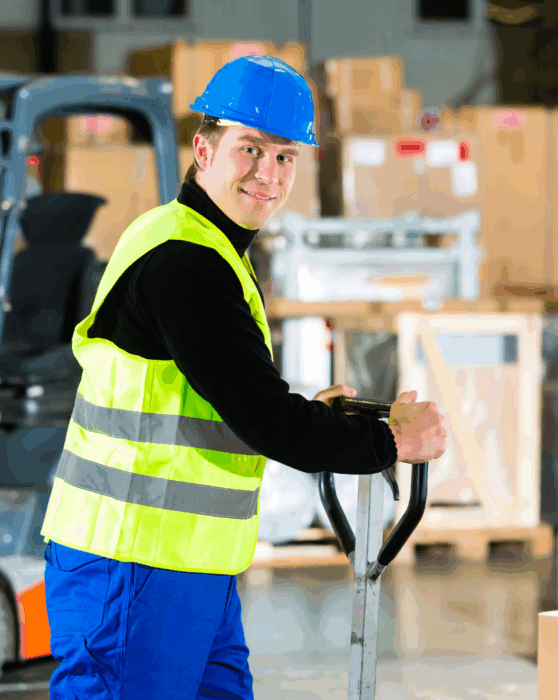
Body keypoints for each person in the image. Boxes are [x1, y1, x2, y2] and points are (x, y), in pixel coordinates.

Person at [40, 56, 448, 699]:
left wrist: (318, 413)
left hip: (190, 565)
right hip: (134, 564)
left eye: (284, 156)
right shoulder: (185, 263)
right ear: (203, 150)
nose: (267, 173)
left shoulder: (208, 248)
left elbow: (220, 397)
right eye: (249, 149)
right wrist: (391, 446)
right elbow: (262, 416)